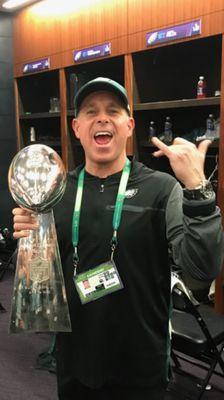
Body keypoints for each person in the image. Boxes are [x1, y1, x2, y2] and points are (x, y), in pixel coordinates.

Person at [12, 77, 224, 400]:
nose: (102, 117)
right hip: (75, 364)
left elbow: (203, 268)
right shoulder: (56, 193)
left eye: (113, 110)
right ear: (76, 127)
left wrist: (197, 189)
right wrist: (28, 239)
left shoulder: (161, 189)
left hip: (141, 368)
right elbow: (42, 284)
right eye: (91, 111)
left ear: (129, 125)